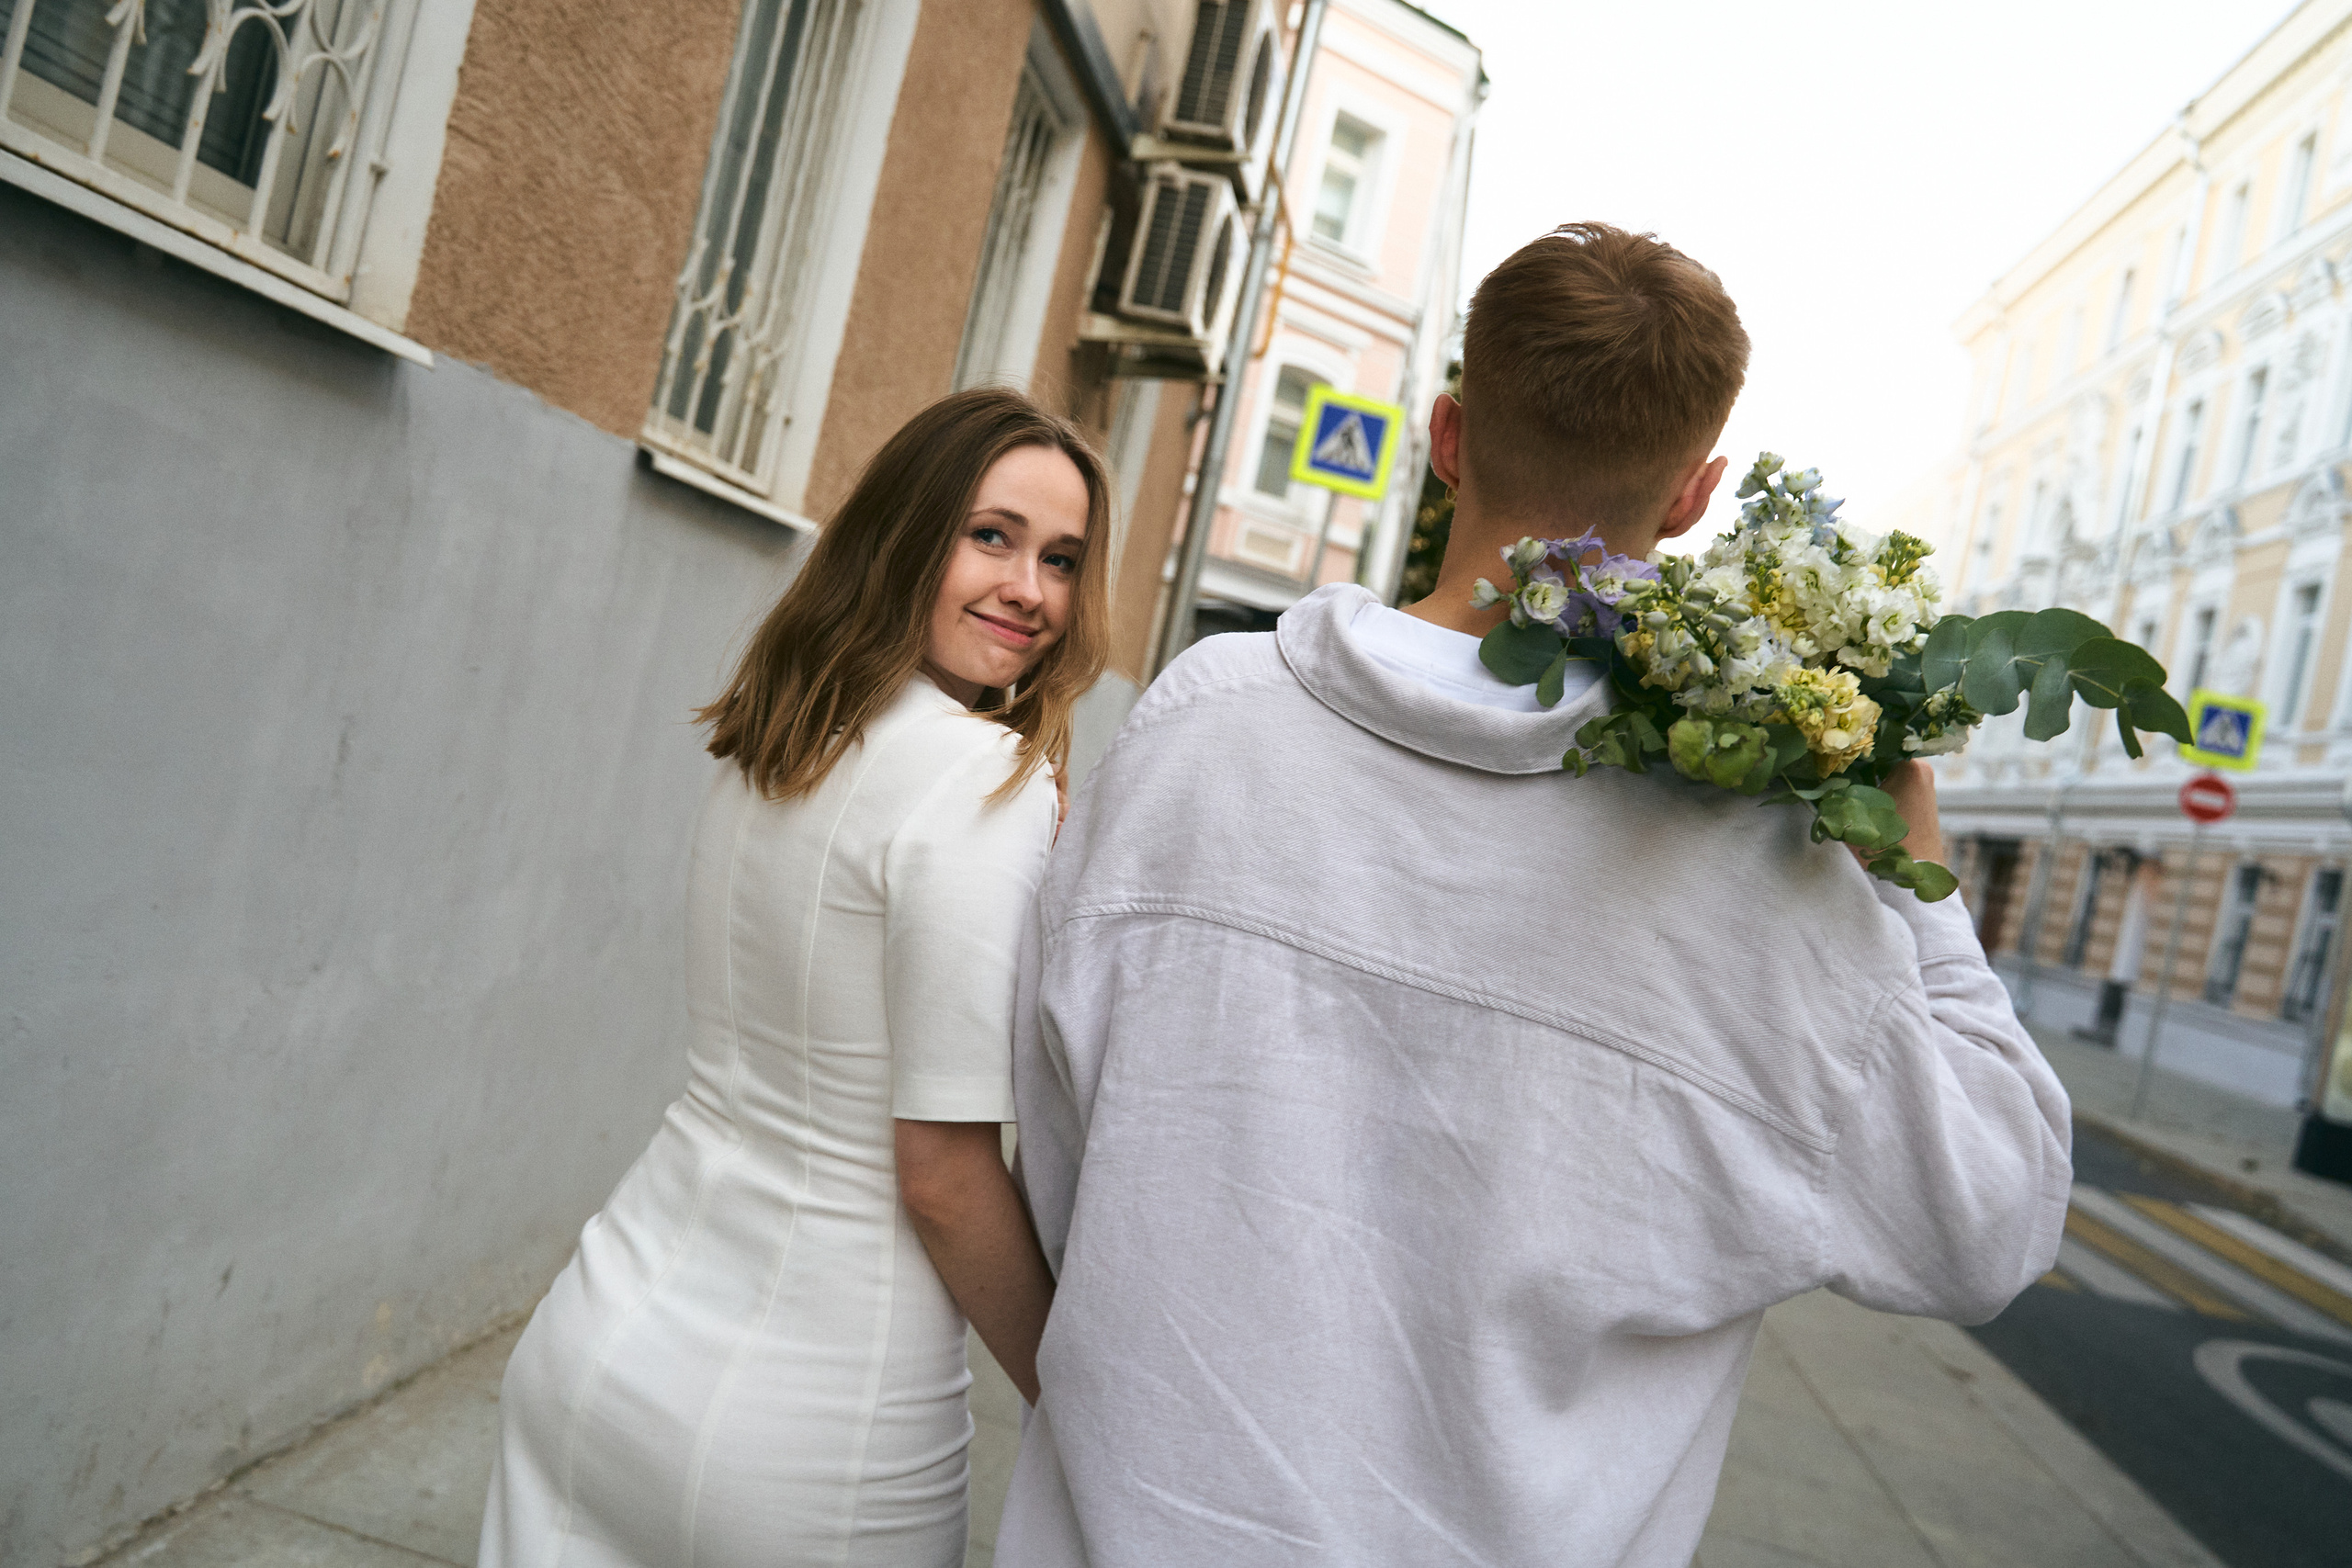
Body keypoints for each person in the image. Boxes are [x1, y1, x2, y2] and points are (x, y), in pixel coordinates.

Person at [999, 224, 2072, 1567]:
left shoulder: (1194, 736)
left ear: (1447, 436)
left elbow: (1058, 1134)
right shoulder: (1769, 870)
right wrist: (1916, 888)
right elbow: (1993, 1218)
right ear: (1694, 495)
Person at [478, 387, 1110, 1568]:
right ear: (904, 534)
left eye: (1062, 558)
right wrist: (1080, 1405)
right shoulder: (982, 782)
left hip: (598, 1344)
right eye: (992, 536)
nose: (1032, 589)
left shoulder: (779, 737)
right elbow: (943, 1177)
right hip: (811, 1426)